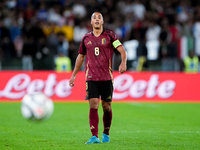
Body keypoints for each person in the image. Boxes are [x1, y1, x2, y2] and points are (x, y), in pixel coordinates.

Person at [69, 12, 127, 144]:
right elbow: (80, 57)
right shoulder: (85, 38)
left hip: (106, 77)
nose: (96, 20)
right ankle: (94, 136)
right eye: (94, 18)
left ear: (102, 22)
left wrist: (123, 62)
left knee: (106, 107)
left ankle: (106, 133)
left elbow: (122, 50)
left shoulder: (110, 36)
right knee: (93, 104)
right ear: (91, 22)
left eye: (99, 18)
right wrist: (73, 76)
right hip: (91, 77)